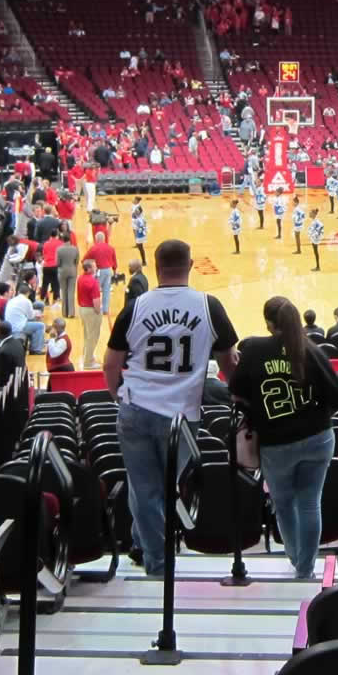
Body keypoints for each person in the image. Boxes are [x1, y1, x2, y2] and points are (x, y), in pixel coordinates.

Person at [103, 239, 237, 577]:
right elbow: (229, 361)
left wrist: (115, 394)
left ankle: (140, 542)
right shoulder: (210, 306)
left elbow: (111, 363)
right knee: (159, 489)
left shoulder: (135, 307)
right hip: (181, 416)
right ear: (190, 265)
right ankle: (158, 566)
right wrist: (236, 391)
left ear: (155, 268)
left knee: (144, 487)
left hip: (136, 409)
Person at [231, 297, 338, 579]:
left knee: (283, 506)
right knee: (310, 503)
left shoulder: (254, 349)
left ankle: (297, 561)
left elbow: (235, 393)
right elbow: (337, 398)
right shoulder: (312, 351)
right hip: (318, 437)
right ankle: (304, 569)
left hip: (276, 443)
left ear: (268, 323)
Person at [3, 283, 48, 354]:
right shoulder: (27, 301)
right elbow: (31, 316)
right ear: (28, 293)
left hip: (11, 325)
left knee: (33, 325)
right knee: (40, 326)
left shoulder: (12, 300)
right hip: (18, 327)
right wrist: (38, 315)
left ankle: (38, 343)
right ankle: (36, 349)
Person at [77, 259, 104, 369]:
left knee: (87, 335)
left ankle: (87, 356)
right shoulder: (93, 282)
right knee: (93, 336)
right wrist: (98, 311)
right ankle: (88, 362)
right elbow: (96, 301)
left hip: (82, 309)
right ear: (88, 269)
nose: (96, 267)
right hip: (91, 311)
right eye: (94, 266)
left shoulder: (80, 278)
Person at [85, 230, 119, 313]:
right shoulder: (110, 248)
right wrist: (114, 272)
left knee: (95, 290)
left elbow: (85, 259)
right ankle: (105, 309)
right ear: (104, 239)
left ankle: (94, 308)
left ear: (96, 239)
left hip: (98, 271)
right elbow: (114, 262)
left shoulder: (93, 248)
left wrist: (89, 270)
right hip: (108, 271)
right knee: (106, 290)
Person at [56, 231, 81, 320]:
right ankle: (71, 312)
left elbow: (57, 263)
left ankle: (64, 312)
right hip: (72, 270)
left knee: (64, 291)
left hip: (62, 270)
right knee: (71, 291)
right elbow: (77, 261)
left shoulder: (59, 249)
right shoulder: (75, 249)